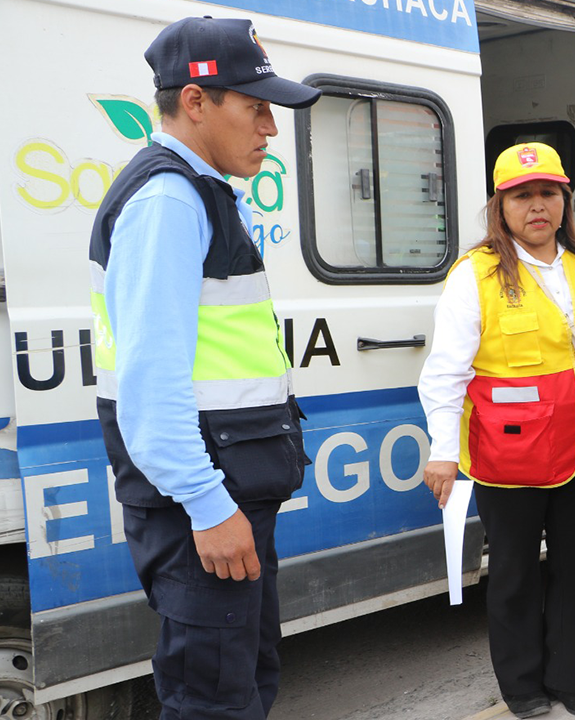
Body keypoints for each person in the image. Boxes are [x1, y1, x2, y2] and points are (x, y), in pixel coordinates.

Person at [87, 17, 320, 719]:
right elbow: (151, 386)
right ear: (196, 102)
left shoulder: (196, 190)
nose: (270, 128)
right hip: (203, 510)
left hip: (219, 499)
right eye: (255, 107)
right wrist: (209, 505)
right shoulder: (168, 199)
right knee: (214, 703)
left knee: (241, 685)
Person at [418, 142, 575, 719]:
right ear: (501, 205)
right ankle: (521, 687)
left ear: (564, 201)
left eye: (548, 193)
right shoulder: (476, 275)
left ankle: (567, 679)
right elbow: (443, 373)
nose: (537, 206)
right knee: (514, 576)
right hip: (505, 456)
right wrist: (443, 453)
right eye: (522, 196)